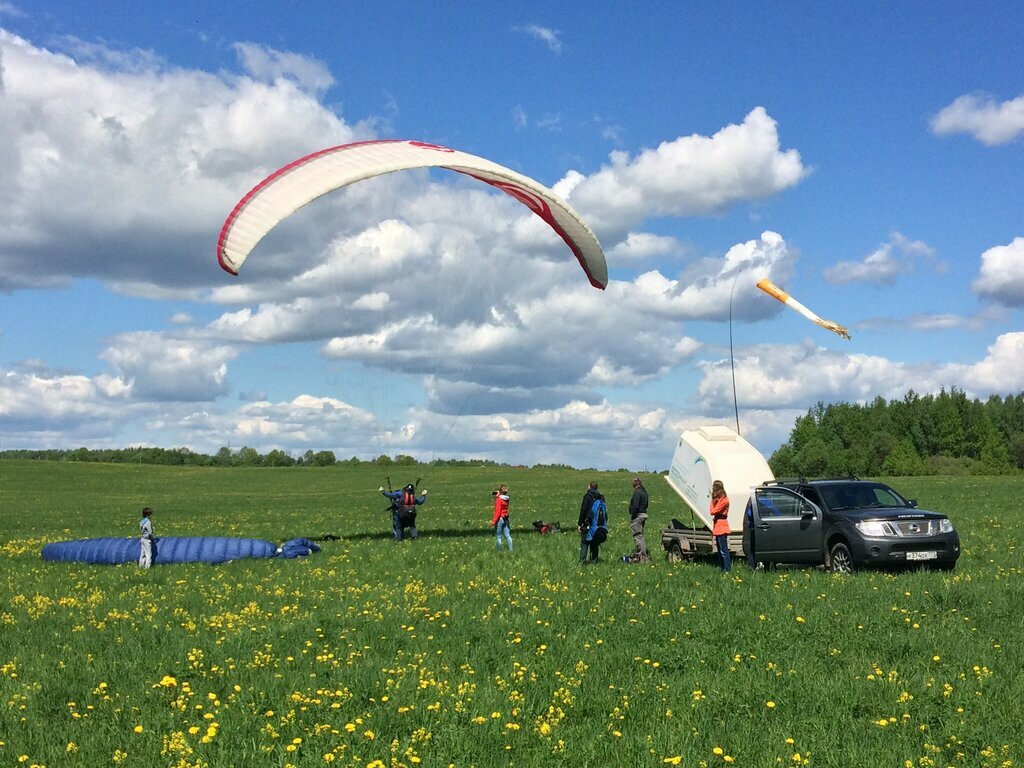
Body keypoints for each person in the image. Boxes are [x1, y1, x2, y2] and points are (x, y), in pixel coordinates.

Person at [578, 483, 608, 564]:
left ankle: (582, 562)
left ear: (590, 487)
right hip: (599, 525)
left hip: (588, 523)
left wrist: (580, 524)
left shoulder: (588, 496)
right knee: (595, 543)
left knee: (585, 542)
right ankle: (594, 562)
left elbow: (583, 510)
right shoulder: (601, 497)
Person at [710, 479, 731, 572]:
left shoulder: (724, 500)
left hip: (722, 526)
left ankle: (727, 569)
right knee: (719, 550)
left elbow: (713, 511)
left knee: (723, 551)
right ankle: (722, 568)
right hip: (718, 526)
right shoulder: (718, 500)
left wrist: (712, 501)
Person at [628, 476, 650, 562]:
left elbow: (635, 506)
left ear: (636, 483)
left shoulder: (637, 492)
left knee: (637, 536)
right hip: (643, 514)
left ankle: (642, 556)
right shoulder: (645, 492)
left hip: (638, 515)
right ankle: (643, 554)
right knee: (640, 535)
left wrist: (633, 515)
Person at [491, 485, 512, 552]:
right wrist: (498, 496)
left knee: (499, 536)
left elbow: (498, 512)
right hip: (506, 518)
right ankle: (511, 550)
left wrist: (493, 522)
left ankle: (499, 550)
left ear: (500, 492)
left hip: (500, 519)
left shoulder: (499, 500)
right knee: (507, 535)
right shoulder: (507, 498)